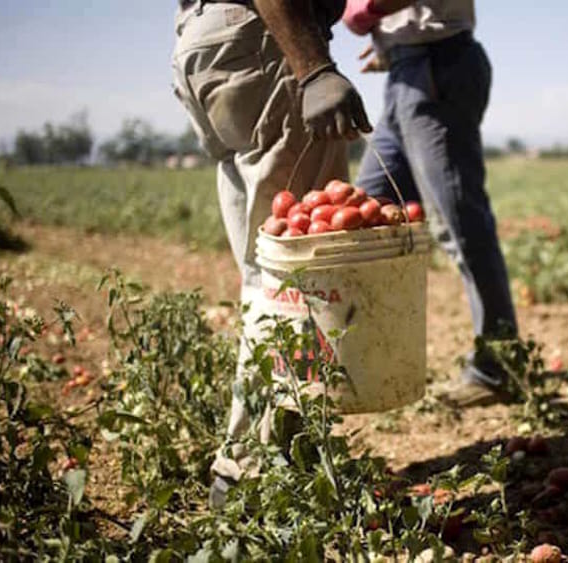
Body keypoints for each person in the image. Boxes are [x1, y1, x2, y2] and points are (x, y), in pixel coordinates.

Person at [171, 0, 372, 509]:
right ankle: (252, 473)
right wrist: (314, 68)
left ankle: (280, 458)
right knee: (296, 277)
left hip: (206, 44)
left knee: (267, 275)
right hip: (265, 41)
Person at [343, 0, 518, 407]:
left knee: (460, 223)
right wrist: (390, 39)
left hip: (438, 65)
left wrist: (365, 11)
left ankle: (498, 367)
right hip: (408, 69)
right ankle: (371, 359)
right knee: (367, 211)